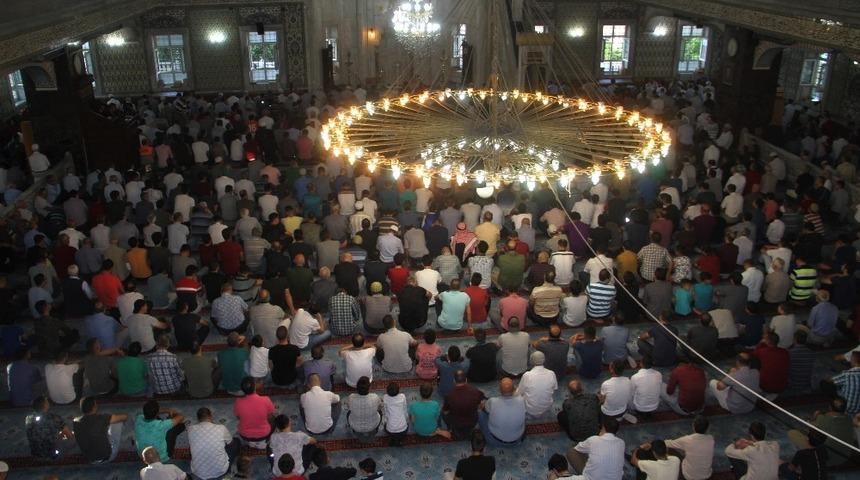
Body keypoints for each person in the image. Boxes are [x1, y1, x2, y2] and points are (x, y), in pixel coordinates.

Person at [187, 407, 239, 480]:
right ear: (211, 416)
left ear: (198, 419)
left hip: (198, 472)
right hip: (221, 471)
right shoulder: (221, 428)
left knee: (193, 447)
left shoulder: (190, 429)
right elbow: (231, 443)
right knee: (236, 442)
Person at [478, 377, 526, 446]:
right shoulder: (522, 400)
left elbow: (484, 409)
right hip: (517, 440)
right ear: (514, 389)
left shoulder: (493, 401)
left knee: (480, 413)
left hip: (493, 440)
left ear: (499, 390)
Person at [664, 416, 715, 480]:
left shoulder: (687, 440)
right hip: (707, 475)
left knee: (675, 448)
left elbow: (669, 443)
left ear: (693, 427)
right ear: (707, 428)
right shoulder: (711, 439)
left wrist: (663, 442)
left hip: (689, 476)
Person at [26, 395, 73, 460]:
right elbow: (69, 435)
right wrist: (61, 435)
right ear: (45, 405)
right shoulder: (54, 418)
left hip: (35, 454)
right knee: (71, 438)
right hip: (52, 454)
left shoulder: (28, 418)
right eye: (47, 401)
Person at [234, 377, 276, 445]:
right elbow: (270, 415)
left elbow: (238, 417)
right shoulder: (266, 399)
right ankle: (266, 440)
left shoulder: (238, 402)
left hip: (245, 436)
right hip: (264, 435)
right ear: (255, 387)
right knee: (274, 418)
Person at [516, 351, 558, 417]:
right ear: (544, 360)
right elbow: (554, 388)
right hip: (546, 407)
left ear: (531, 361)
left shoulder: (527, 375)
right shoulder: (551, 373)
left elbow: (519, 392)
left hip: (530, 409)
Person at [345, 376, 382, 440]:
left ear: (357, 388)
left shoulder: (351, 397)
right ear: (369, 387)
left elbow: (347, 407)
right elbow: (379, 408)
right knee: (380, 412)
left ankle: (352, 429)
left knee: (348, 413)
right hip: (373, 425)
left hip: (355, 426)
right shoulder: (375, 397)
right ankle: (376, 429)